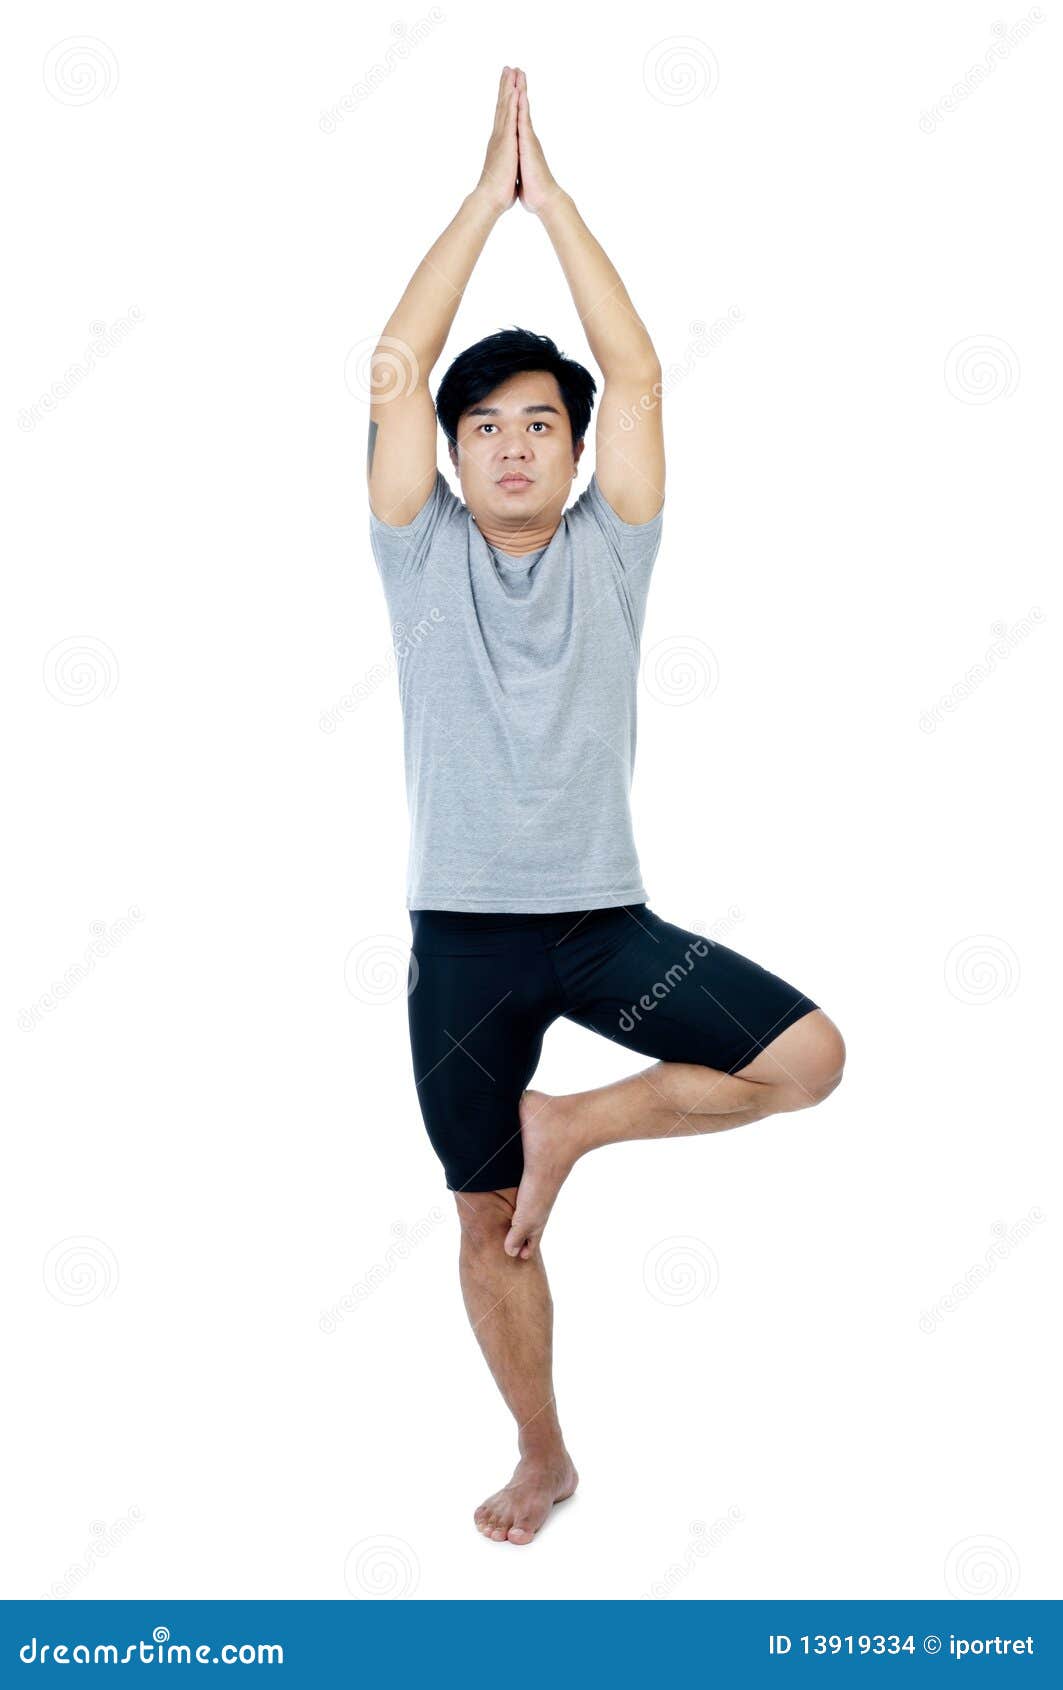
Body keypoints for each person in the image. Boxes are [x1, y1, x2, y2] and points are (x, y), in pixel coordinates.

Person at [366, 66, 846, 1547]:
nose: (512, 443)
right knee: (477, 1218)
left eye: (538, 425)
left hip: (601, 924)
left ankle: (573, 1120)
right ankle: (543, 1451)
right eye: (485, 428)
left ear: (575, 457)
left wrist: (551, 203)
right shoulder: (420, 557)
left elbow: (638, 376)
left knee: (810, 1057)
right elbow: (393, 365)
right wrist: (474, 201)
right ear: (453, 459)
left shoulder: (611, 557)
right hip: (464, 949)